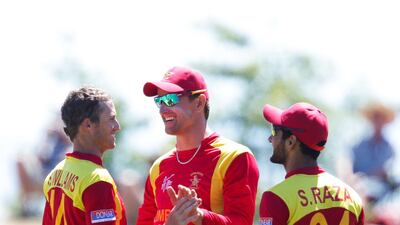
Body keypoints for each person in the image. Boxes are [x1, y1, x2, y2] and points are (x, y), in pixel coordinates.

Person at [136, 66, 259, 225]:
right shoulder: (158, 166)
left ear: (199, 103)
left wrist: (200, 216)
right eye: (159, 101)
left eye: (170, 100)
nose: (163, 109)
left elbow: (241, 221)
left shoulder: (234, 157)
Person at [259, 102, 364, 225]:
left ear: (291, 142)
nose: (270, 139)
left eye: (274, 131)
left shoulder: (275, 198)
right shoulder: (353, 197)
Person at [42, 86, 127, 225]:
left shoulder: (54, 175)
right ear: (88, 125)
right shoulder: (98, 180)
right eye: (111, 119)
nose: (117, 126)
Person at [351, 102, 397, 201]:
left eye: (381, 118)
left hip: (382, 192)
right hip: (358, 187)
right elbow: (350, 168)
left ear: (385, 122)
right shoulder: (358, 144)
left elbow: (386, 173)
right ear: (371, 120)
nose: (378, 121)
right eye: (376, 117)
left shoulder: (390, 148)